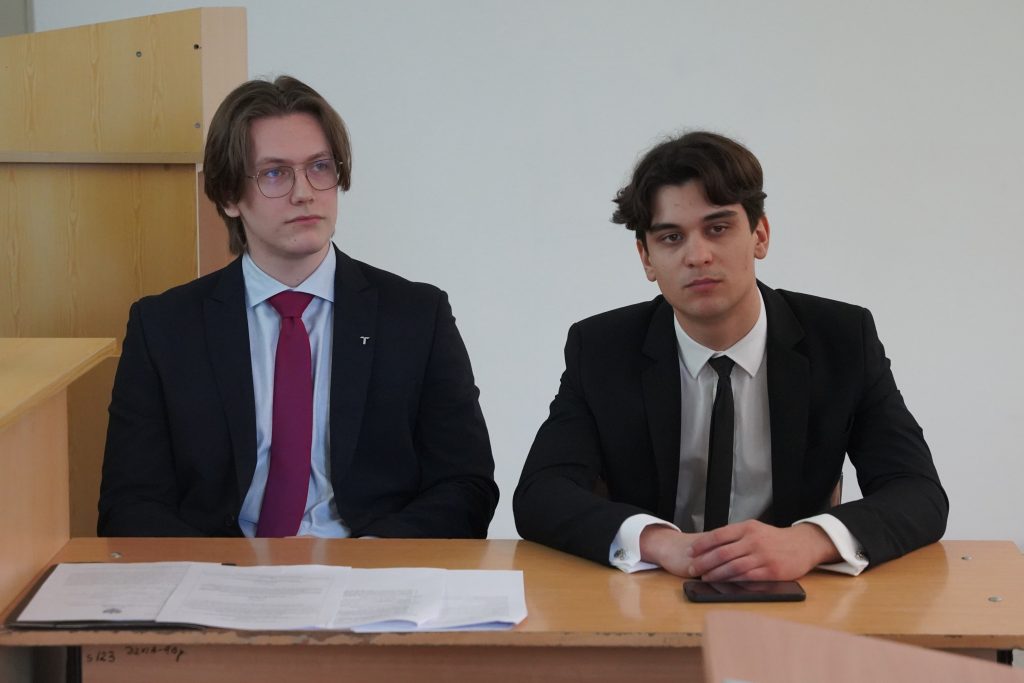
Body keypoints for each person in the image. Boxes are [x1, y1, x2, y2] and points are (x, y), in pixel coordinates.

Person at [513, 131, 947, 580]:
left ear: (760, 235)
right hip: (654, 591)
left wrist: (808, 541)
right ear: (646, 258)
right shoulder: (602, 348)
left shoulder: (841, 339)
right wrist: (658, 542)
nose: (697, 256)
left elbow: (918, 491)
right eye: (671, 237)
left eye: (717, 229)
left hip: (796, 596)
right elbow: (541, 493)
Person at [99, 75, 497, 539]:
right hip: (223, 568)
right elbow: (130, 503)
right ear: (228, 196)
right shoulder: (164, 327)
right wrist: (218, 569)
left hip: (371, 564)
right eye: (275, 173)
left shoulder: (416, 316)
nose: (304, 192)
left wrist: (375, 557)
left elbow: (466, 485)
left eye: (320, 167)